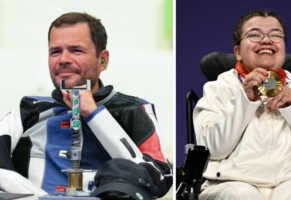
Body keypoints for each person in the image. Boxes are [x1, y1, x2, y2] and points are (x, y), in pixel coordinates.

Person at [0, 12, 172, 198]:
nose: (64, 59)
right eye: (55, 51)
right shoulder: (28, 111)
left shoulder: (134, 109)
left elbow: (159, 180)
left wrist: (94, 114)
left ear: (103, 60)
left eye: (76, 50)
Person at [193, 9, 291, 200]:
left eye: (276, 35)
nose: (266, 40)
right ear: (238, 52)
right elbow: (213, 149)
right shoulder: (219, 88)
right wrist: (244, 99)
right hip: (231, 182)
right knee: (240, 195)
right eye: (254, 34)